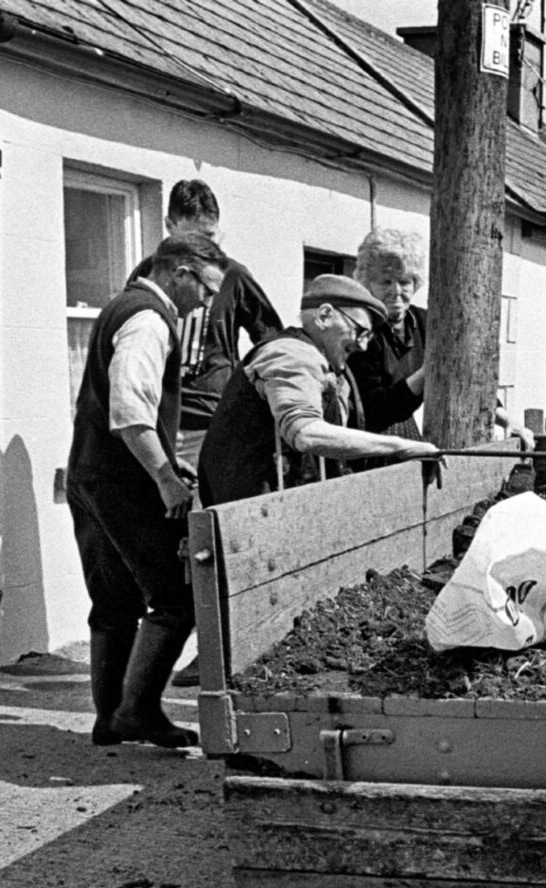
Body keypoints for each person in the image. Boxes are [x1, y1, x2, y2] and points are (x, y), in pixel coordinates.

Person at [65, 232, 229, 749]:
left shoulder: (122, 306)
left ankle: (109, 719)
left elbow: (128, 410)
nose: (206, 302)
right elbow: (130, 408)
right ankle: (136, 711)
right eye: (206, 289)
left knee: (112, 601)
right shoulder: (150, 319)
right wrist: (164, 478)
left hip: (90, 473)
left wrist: (165, 455)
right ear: (180, 272)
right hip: (125, 482)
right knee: (177, 598)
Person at [197, 274, 440, 507]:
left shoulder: (323, 362)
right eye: (360, 331)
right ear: (324, 315)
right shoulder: (291, 355)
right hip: (250, 516)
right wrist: (400, 446)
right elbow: (307, 433)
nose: (364, 345)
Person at [346, 226, 533, 447]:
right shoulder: (361, 329)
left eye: (404, 282)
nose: (396, 291)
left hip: (406, 435)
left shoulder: (427, 323)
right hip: (365, 443)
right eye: (386, 282)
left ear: (415, 284)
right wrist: (429, 373)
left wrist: (506, 418)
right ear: (368, 283)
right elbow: (376, 410)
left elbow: (466, 375)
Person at [161, 179, 283, 469]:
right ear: (169, 226)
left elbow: (271, 338)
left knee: (206, 511)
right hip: (161, 424)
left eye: (209, 236)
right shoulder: (151, 274)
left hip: (211, 424)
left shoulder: (233, 276)